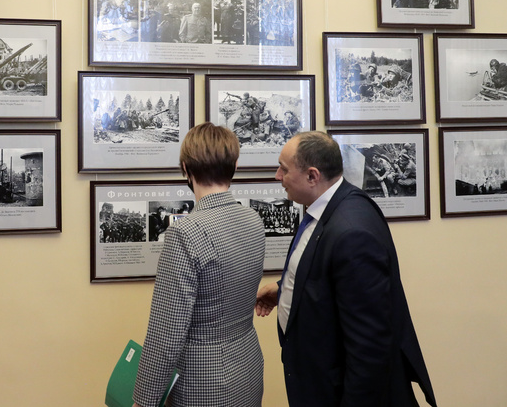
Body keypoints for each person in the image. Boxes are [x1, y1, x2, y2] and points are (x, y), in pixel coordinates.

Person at [255, 131, 436, 407]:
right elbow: (329, 274)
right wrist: (284, 290)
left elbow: (369, 347)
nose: (278, 176)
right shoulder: (328, 208)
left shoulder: (352, 232)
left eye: (284, 169)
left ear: (312, 176)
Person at [133, 123, 266, 407]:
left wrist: (144, 401)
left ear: (185, 168)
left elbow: (166, 332)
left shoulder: (185, 232)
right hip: (248, 367)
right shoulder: (253, 220)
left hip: (203, 380)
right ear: (235, 166)